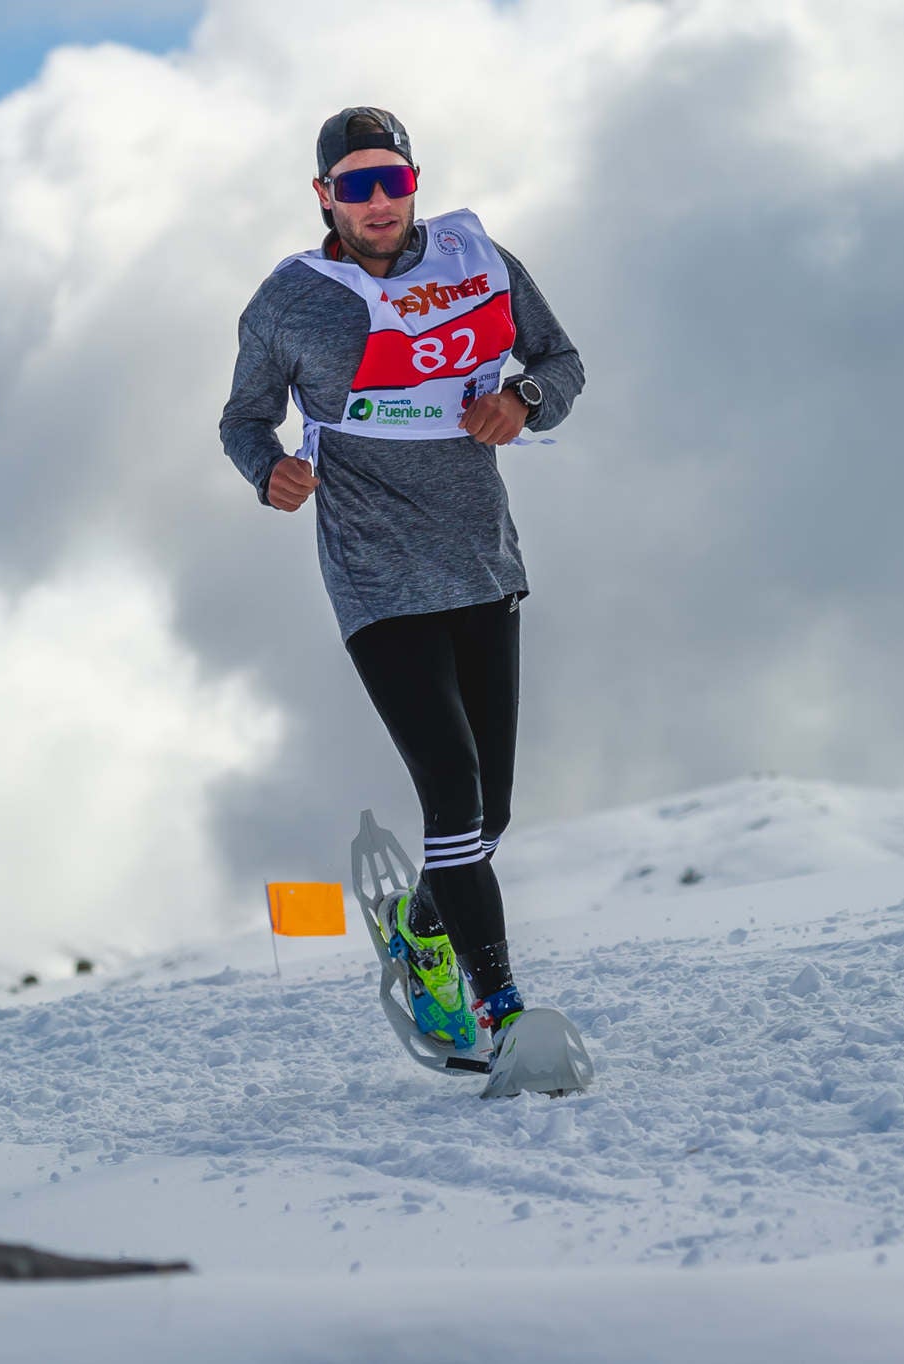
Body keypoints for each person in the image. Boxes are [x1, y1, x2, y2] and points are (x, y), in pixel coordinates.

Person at [219, 107, 588, 1090]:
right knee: (453, 790)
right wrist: (269, 472)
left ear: (411, 181)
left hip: (479, 561)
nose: (377, 202)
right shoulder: (292, 303)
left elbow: (560, 361)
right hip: (374, 573)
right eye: (355, 184)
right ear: (323, 196)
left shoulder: (477, 259)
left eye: (391, 180)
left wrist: (525, 402)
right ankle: (500, 1009)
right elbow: (242, 417)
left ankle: (420, 934)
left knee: (490, 811)